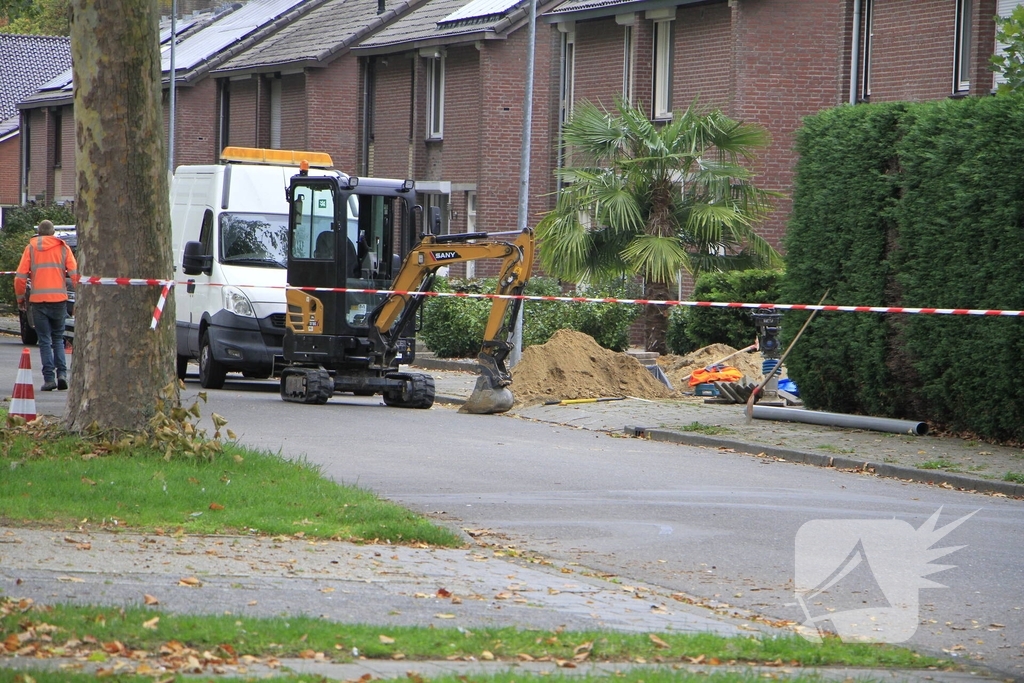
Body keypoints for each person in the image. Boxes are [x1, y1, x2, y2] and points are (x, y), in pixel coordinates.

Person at [14, 220, 79, 391]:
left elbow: (20, 277)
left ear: (39, 233)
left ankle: (49, 379)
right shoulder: (63, 248)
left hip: (38, 301)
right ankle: (62, 375)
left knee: (44, 340)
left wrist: (21, 299)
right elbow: (75, 275)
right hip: (59, 300)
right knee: (58, 338)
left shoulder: (31, 249)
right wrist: (80, 297)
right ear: (53, 233)